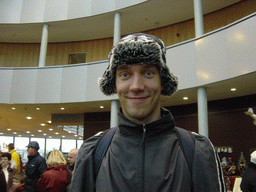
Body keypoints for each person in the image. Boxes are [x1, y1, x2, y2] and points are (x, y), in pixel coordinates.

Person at [70, 33, 226, 191]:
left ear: (162, 81)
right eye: (125, 74)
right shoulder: (93, 150)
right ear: (115, 84)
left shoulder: (197, 149)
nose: (136, 86)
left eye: (148, 73)